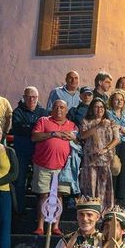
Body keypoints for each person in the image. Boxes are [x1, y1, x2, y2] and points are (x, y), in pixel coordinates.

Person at [31, 100, 78, 236]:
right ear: (51, 109)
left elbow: (78, 142)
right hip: (43, 165)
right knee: (43, 195)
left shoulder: (71, 125)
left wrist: (73, 138)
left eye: (62, 107)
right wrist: (53, 134)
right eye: (56, 107)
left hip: (63, 168)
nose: (59, 109)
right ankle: (40, 226)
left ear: (66, 110)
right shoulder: (43, 121)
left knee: (59, 196)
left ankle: (55, 226)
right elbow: (34, 137)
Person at [10, 86, 48, 212]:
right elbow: (18, 129)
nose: (32, 99)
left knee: (40, 182)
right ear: (24, 97)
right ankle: (20, 209)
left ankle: (39, 210)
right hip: (21, 152)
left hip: (39, 152)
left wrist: (29, 128)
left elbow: (45, 130)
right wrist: (36, 130)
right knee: (20, 181)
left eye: (34, 97)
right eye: (29, 97)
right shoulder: (17, 112)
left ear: (38, 98)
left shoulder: (43, 112)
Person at [78, 99, 120, 209]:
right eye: (96, 107)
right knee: (91, 185)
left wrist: (106, 149)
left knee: (104, 185)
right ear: (92, 108)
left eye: (101, 107)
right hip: (91, 158)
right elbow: (83, 135)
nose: (99, 109)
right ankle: (92, 209)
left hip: (105, 158)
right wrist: (98, 125)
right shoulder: (86, 122)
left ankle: (105, 210)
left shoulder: (111, 122)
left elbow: (117, 139)